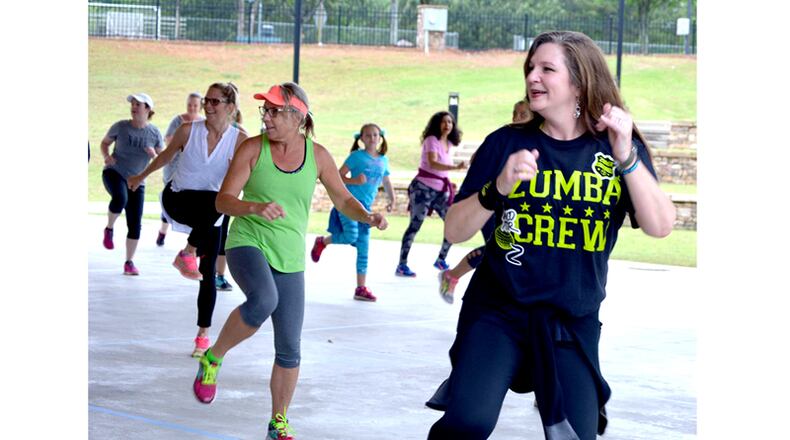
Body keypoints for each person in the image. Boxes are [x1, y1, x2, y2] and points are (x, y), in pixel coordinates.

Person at [425, 31, 676, 439]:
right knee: (467, 423)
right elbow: (455, 228)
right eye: (529, 68)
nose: (532, 77)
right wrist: (497, 188)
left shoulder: (613, 148)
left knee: (576, 435)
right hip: (499, 311)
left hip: (571, 319)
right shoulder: (505, 144)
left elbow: (661, 225)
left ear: (578, 81)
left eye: (546, 69)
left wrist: (627, 156)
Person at [190, 83, 388, 440]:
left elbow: (343, 200)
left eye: (274, 111)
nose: (266, 117)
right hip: (247, 241)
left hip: (289, 254)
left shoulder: (319, 156)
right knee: (264, 299)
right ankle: (214, 357)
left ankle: (277, 421)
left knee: (290, 347)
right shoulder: (252, 149)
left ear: (298, 116)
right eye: (264, 111)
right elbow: (223, 201)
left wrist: (367, 216)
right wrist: (253, 207)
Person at [128, 82, 247, 357]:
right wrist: (139, 177)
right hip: (179, 198)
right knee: (217, 202)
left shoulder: (240, 140)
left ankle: (203, 336)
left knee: (208, 275)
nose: (208, 106)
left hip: (212, 212)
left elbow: (249, 172)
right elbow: (164, 159)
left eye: (215, 102)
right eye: (207, 100)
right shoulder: (187, 131)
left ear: (230, 107)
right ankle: (189, 251)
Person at [438, 99, 533, 304]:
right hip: (495, 209)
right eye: (515, 113)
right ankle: (455, 279)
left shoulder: (537, 145)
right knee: (499, 248)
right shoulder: (501, 140)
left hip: (519, 213)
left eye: (523, 114)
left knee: (500, 251)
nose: (517, 118)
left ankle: (452, 276)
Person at [310, 123, 395, 302]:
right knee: (351, 236)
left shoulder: (383, 160)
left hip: (367, 209)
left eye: (375, 135)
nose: (372, 138)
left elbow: (386, 181)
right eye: (368, 135)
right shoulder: (356, 157)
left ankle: (361, 287)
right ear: (361, 138)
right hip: (348, 204)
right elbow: (338, 175)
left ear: (380, 138)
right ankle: (323, 241)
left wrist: (392, 199)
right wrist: (355, 180)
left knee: (364, 247)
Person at [99, 93, 164, 275]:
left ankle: (129, 262)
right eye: (133, 104)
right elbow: (104, 143)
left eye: (138, 104)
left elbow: (163, 158)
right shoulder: (121, 127)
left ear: (148, 109)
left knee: (135, 224)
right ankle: (109, 228)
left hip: (137, 180)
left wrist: (154, 155)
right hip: (115, 172)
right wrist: (107, 156)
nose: (133, 107)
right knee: (120, 198)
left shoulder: (154, 133)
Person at [395, 111, 466, 278]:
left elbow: (442, 167)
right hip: (423, 188)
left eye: (450, 122)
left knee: (452, 223)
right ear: (437, 124)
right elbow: (433, 163)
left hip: (441, 191)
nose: (447, 125)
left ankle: (441, 259)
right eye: (443, 122)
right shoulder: (431, 140)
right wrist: (455, 168)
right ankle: (402, 264)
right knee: (415, 224)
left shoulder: (448, 143)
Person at [157, 92, 205, 247]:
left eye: (195, 105)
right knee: (170, 200)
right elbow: (169, 139)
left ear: (200, 107)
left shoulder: (203, 122)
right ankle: (163, 231)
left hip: (192, 169)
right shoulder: (178, 121)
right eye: (190, 104)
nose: (192, 108)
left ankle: (192, 241)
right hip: (173, 166)